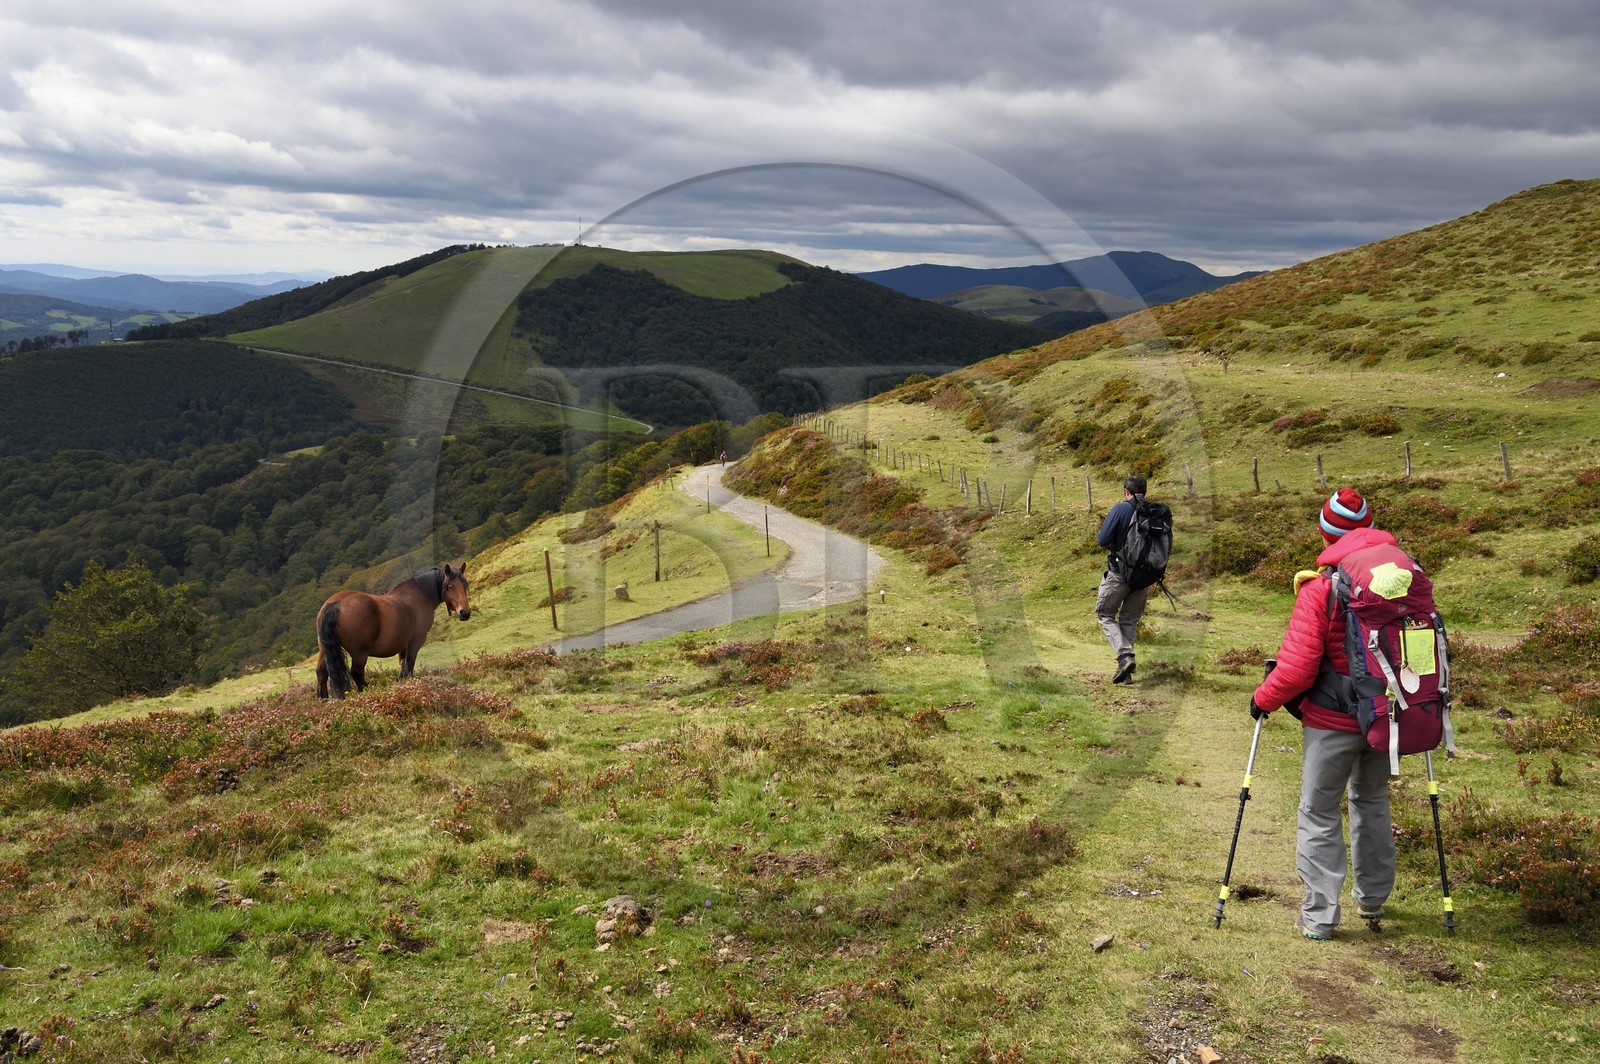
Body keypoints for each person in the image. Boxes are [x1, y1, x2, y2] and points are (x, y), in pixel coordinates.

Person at [1249, 487, 1397, 940]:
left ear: (1327, 534)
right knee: (1371, 801)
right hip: (1385, 713)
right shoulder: (1399, 581)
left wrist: (1262, 699)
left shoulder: (1320, 589)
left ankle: (1320, 916)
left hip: (1331, 721)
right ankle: (1372, 900)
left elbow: (1295, 670)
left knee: (1318, 810)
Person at [1095, 474, 1152, 684]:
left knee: (1105, 615)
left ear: (1126, 492)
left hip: (1119, 573)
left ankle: (1125, 657)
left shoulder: (1121, 508)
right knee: (1129, 620)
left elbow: (1102, 540)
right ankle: (1125, 672)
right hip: (1144, 576)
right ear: (1144, 491)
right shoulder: (1153, 511)